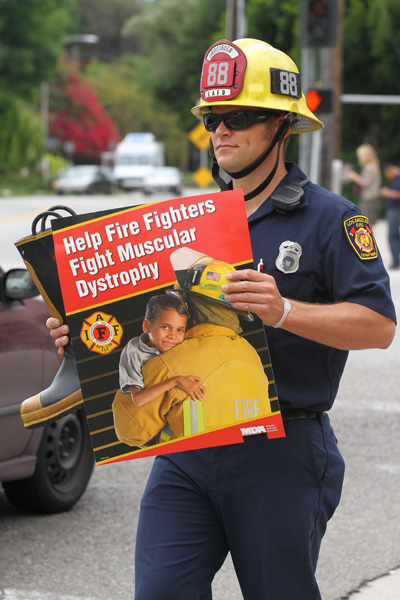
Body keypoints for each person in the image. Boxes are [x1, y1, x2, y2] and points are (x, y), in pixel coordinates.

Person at [48, 38, 396, 600]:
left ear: (282, 126)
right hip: (188, 442)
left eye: (236, 116)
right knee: (161, 592)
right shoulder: (191, 223)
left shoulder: (333, 220)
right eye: (212, 117)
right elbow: (146, 325)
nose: (220, 131)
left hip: (280, 449)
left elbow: (379, 325)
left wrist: (283, 310)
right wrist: (82, 337)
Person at [113, 248, 272, 447]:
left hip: (192, 467)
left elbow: (129, 432)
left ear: (190, 310)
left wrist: (134, 369)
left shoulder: (168, 364)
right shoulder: (252, 355)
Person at [119, 293, 205, 408]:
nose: (172, 336)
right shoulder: (135, 350)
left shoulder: (183, 345)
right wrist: (176, 381)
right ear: (147, 326)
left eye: (180, 330)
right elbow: (138, 399)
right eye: (165, 327)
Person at [347, 143, 382, 224]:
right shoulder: (374, 166)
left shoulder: (370, 167)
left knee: (367, 221)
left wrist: (354, 176)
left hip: (370, 198)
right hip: (372, 197)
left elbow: (366, 182)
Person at [380, 164, 400, 269]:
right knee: (394, 235)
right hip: (394, 210)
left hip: (396, 209)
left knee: (392, 236)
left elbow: (398, 194)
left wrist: (387, 193)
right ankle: (396, 260)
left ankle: (396, 261)